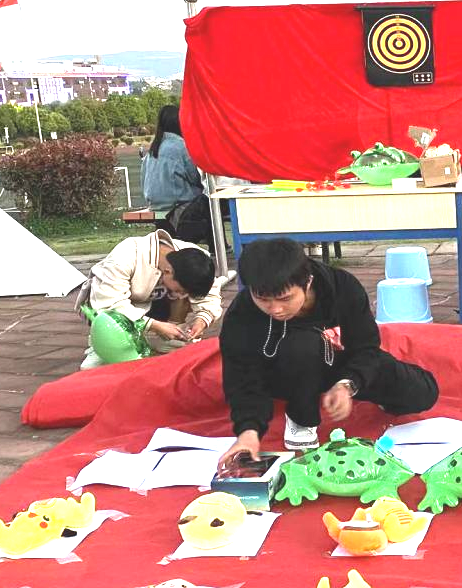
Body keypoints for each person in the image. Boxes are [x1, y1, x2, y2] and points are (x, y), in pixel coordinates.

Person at [217, 238, 439, 460]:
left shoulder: (342, 287)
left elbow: (365, 347)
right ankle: (300, 418)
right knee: (302, 345)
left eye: (285, 298)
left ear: (308, 282)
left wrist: (348, 384)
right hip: (283, 369)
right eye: (263, 299)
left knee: (421, 391)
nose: (275, 309)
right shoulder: (243, 312)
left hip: (336, 363)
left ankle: (364, 390)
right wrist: (248, 431)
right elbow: (241, 374)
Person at [75, 229, 225, 370]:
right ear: (168, 271)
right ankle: (102, 343)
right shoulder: (126, 256)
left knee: (187, 293)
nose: (181, 297)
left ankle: (172, 337)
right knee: (99, 357)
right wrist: (153, 325)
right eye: (180, 291)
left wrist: (202, 320)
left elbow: (210, 294)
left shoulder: (196, 258)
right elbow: (110, 303)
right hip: (114, 306)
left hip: (156, 304)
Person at [142, 105, 212, 247]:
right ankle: (216, 245)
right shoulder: (181, 146)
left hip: (155, 204)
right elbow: (196, 178)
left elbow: (144, 179)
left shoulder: (153, 149)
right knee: (210, 200)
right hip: (177, 205)